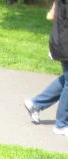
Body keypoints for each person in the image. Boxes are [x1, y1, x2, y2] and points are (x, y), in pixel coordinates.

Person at [24, 0, 68, 137]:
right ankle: (61, 125)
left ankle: (36, 104)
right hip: (64, 42)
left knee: (66, 79)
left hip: (61, 39)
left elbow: (52, 15)